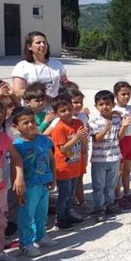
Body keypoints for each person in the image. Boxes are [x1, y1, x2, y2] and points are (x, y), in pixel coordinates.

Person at [11, 107, 55, 257]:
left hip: (44, 183)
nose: (30, 125)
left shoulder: (44, 140)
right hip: (28, 187)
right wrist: (17, 191)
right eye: (25, 123)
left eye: (32, 121)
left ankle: (40, 236)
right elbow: (14, 168)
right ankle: (25, 243)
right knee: (26, 216)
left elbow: (51, 159)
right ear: (15, 127)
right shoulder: (17, 146)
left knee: (41, 213)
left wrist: (53, 178)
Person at [89, 90, 131, 222]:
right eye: (101, 104)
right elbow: (96, 139)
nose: (104, 107)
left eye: (107, 104)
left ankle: (109, 204)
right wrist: (106, 129)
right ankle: (99, 208)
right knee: (98, 186)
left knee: (111, 185)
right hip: (99, 159)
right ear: (96, 106)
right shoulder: (94, 121)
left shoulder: (117, 118)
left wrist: (124, 127)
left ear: (113, 105)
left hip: (114, 157)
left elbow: (119, 137)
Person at [49, 95, 87, 231]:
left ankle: (68, 214)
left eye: (69, 109)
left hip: (75, 164)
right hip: (63, 167)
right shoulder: (59, 128)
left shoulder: (78, 123)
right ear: (56, 113)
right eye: (63, 111)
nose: (67, 113)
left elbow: (83, 141)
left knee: (71, 194)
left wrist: (84, 143)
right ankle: (60, 219)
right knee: (64, 195)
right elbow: (63, 149)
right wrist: (76, 137)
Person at [0, 101, 24, 261]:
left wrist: (19, 176)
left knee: (0, 222)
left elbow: (16, 156)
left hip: (0, 189)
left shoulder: (2, 137)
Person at [11, 31, 69, 99]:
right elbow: (18, 91)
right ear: (29, 47)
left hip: (55, 105)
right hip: (34, 106)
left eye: (44, 42)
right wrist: (41, 97)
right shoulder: (21, 66)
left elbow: (64, 82)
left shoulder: (57, 64)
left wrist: (69, 86)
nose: (42, 45)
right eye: (38, 43)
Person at [112, 80, 131, 208]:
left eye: (128, 94)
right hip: (120, 141)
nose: (126, 97)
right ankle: (117, 197)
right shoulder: (114, 110)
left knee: (127, 170)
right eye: (123, 94)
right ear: (116, 95)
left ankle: (127, 193)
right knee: (119, 171)